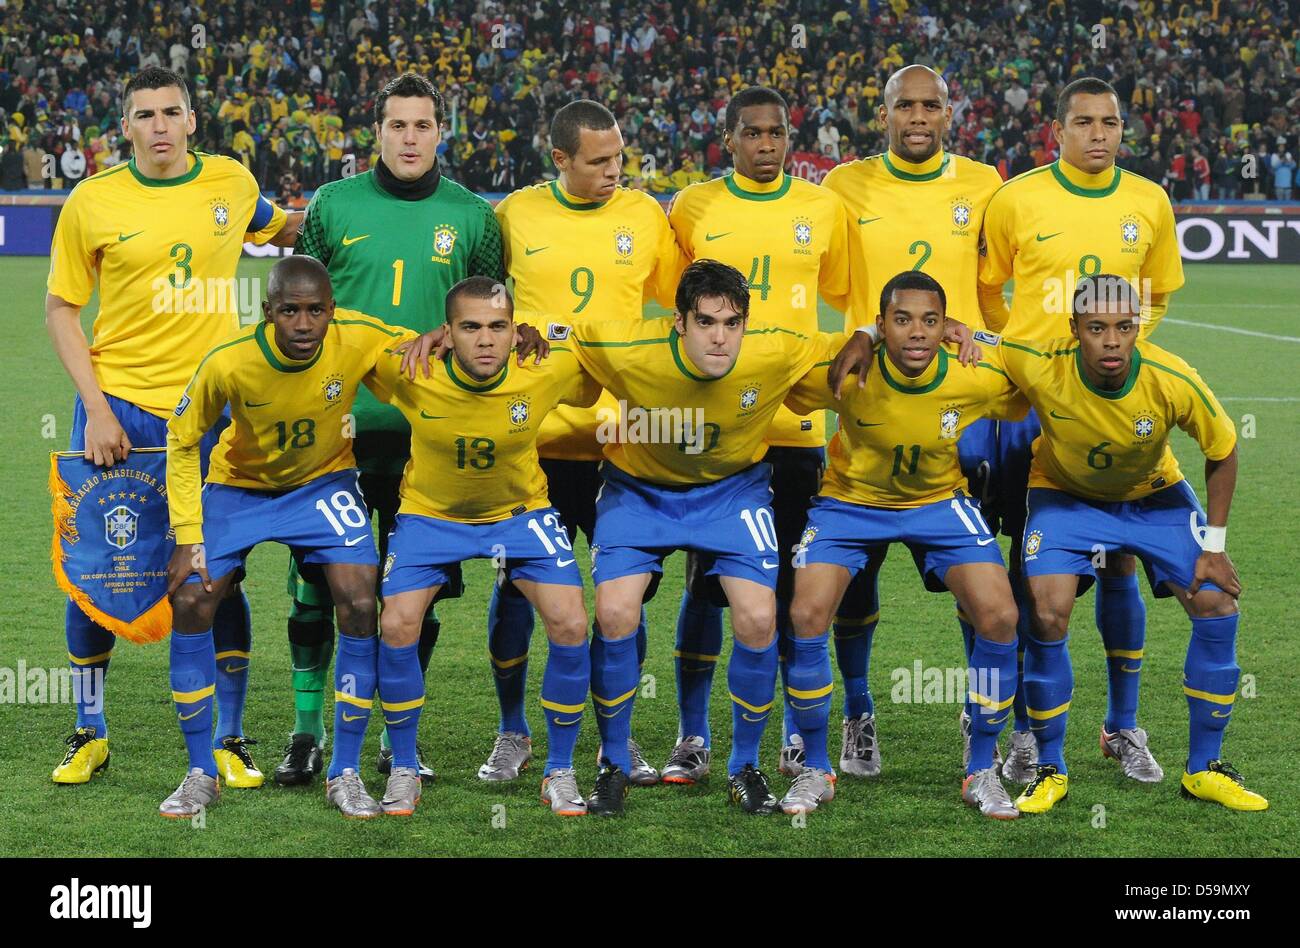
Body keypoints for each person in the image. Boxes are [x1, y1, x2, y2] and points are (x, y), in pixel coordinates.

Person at [45, 66, 299, 788]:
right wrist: (95, 408)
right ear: (125, 127)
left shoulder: (231, 182)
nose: (158, 125)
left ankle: (232, 736)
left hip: (212, 414)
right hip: (117, 410)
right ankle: (88, 730)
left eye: (170, 112)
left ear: (193, 121)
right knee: (95, 573)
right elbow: (62, 308)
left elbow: (279, 227)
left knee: (218, 573)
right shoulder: (91, 201)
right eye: (143, 114)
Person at [552, 259, 845, 816]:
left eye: (732, 323)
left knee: (759, 618)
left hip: (732, 494)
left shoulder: (776, 349)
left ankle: (742, 765)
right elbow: (564, 336)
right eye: (706, 322)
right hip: (638, 492)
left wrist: (872, 334)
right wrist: (524, 331)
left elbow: (852, 345)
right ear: (679, 323)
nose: (719, 337)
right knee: (615, 613)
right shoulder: (626, 345)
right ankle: (613, 761)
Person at [282, 72, 504, 787]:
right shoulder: (333, 205)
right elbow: (300, 305)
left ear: (442, 131)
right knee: (319, 586)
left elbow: (490, 318)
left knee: (415, 589)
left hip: (430, 436)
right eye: (397, 126)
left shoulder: (471, 216)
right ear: (376, 132)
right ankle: (306, 732)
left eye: (422, 126)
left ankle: (392, 734)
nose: (410, 139)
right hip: (337, 432)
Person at [982, 274, 1266, 814]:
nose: (1111, 341)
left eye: (1123, 327)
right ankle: (1050, 767)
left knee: (1217, 603)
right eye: (1096, 328)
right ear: (1074, 330)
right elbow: (985, 340)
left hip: (1152, 497)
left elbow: (1223, 450)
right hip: (1065, 497)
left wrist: (1216, 543)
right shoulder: (1039, 360)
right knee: (1047, 611)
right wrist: (953, 330)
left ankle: (1203, 768)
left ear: (1138, 327)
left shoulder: (1170, 376)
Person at [977, 77, 1185, 786]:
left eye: (1112, 122)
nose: (1099, 134)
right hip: (1029, 404)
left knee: (1121, 557)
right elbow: (987, 286)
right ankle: (1030, 731)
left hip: (1111, 401)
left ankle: (1123, 727)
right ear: (1057, 130)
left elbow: (1157, 293)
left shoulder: (1149, 200)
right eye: (1084, 122)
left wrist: (1114, 356)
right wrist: (1025, 355)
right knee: (1032, 572)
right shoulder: (1018, 197)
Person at [162, 256, 421, 819]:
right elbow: (182, 440)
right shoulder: (229, 361)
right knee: (191, 597)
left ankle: (345, 771)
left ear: (333, 309)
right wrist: (188, 534)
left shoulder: (359, 338)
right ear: (268, 311)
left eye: (315, 311)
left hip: (322, 487)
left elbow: (428, 348)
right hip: (240, 490)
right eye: (290, 311)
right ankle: (200, 772)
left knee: (358, 602)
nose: (304, 325)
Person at [483, 99, 684, 786]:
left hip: (619, 444)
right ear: (560, 158)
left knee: (621, 596)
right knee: (516, 591)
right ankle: (513, 732)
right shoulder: (514, 215)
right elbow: (476, 304)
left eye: (620, 157)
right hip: (530, 443)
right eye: (598, 161)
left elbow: (677, 309)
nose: (614, 172)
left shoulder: (645, 215)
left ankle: (617, 743)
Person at [784, 271, 1027, 818]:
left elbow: (1031, 363)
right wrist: (860, 340)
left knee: (999, 615)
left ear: (946, 327)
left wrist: (980, 337)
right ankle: (818, 765)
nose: (916, 333)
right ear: (881, 325)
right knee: (806, 614)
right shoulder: (848, 368)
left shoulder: (973, 375)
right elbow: (781, 371)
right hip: (848, 505)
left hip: (940, 503)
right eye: (901, 320)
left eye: (930, 321)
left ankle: (982, 768)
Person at [822, 63, 1005, 778]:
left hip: (960, 410)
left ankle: (979, 710)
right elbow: (833, 281)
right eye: (907, 105)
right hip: (867, 406)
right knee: (854, 579)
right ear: (885, 112)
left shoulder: (985, 184)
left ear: (950, 113)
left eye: (932, 105)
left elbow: (993, 288)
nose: (919, 116)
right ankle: (859, 712)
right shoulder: (844, 186)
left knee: (975, 576)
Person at [665, 87, 850, 784]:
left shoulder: (822, 207)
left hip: (797, 427)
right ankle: (691, 734)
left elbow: (840, 295)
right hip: (719, 427)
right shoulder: (693, 207)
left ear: (790, 135)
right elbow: (677, 304)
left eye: (777, 133)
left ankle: (797, 739)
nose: (767, 145)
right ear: (730, 138)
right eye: (753, 133)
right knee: (706, 581)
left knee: (793, 587)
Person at [370, 277, 603, 816]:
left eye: (498, 327)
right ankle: (404, 766)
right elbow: (348, 343)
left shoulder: (544, 366)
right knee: (397, 624)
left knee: (570, 623)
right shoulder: (409, 365)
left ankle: (559, 770)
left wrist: (549, 333)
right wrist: (421, 337)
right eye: (469, 327)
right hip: (431, 515)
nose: (486, 340)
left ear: (513, 329)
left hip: (519, 513)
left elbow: (591, 375)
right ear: (447, 332)